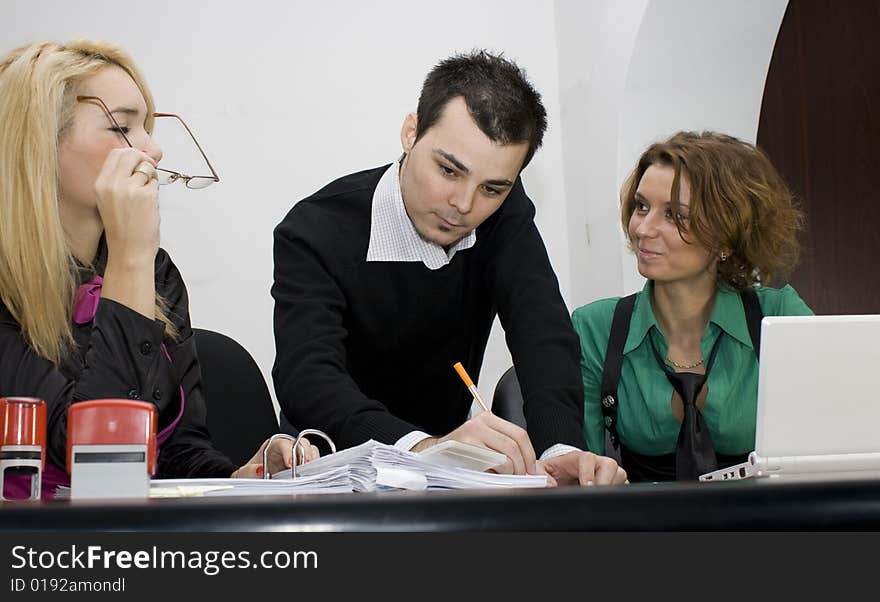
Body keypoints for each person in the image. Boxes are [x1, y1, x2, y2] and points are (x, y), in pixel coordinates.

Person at [273, 50, 625, 486]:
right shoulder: (316, 228)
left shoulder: (504, 215)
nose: (464, 204)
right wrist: (422, 448)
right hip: (330, 469)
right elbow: (306, 375)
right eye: (448, 170)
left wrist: (561, 449)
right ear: (410, 132)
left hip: (448, 477)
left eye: (493, 188)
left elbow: (543, 335)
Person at [0, 39, 317, 499]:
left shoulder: (157, 270)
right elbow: (100, 467)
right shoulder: (130, 261)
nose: (153, 149)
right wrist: (131, 255)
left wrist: (237, 478)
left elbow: (177, 453)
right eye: (121, 126)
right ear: (38, 145)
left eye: (146, 126)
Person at [571, 131, 813, 482]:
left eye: (673, 215)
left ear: (726, 234)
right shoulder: (596, 328)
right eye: (642, 206)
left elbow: (828, 449)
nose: (643, 228)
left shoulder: (780, 316)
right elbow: (581, 475)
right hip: (646, 530)